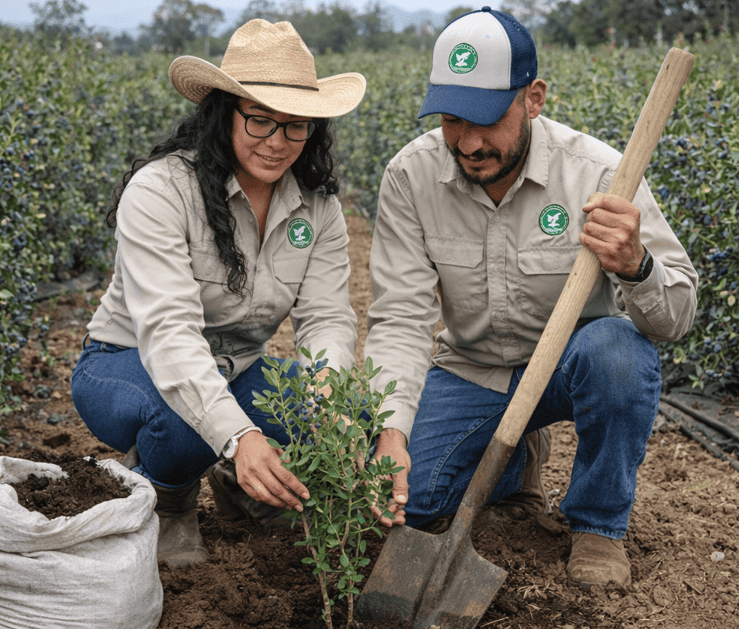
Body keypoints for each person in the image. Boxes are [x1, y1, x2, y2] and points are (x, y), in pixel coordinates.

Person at [364, 7, 698, 589]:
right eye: (451, 120)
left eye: (487, 119)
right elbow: (398, 315)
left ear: (533, 98)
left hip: (570, 365)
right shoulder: (411, 176)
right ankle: (518, 465)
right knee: (410, 504)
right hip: (470, 370)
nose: (468, 142)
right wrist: (390, 431)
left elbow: (677, 318)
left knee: (619, 352)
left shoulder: (599, 173)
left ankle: (597, 523)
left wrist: (635, 265)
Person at [71, 19, 366, 568]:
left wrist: (328, 395)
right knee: (182, 420)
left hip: (237, 368)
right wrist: (240, 436)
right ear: (223, 111)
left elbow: (326, 316)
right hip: (127, 363)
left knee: (352, 417)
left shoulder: (318, 208)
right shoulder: (162, 190)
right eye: (259, 120)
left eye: (295, 127)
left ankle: (240, 483)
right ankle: (171, 501)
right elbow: (170, 335)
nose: (277, 143)